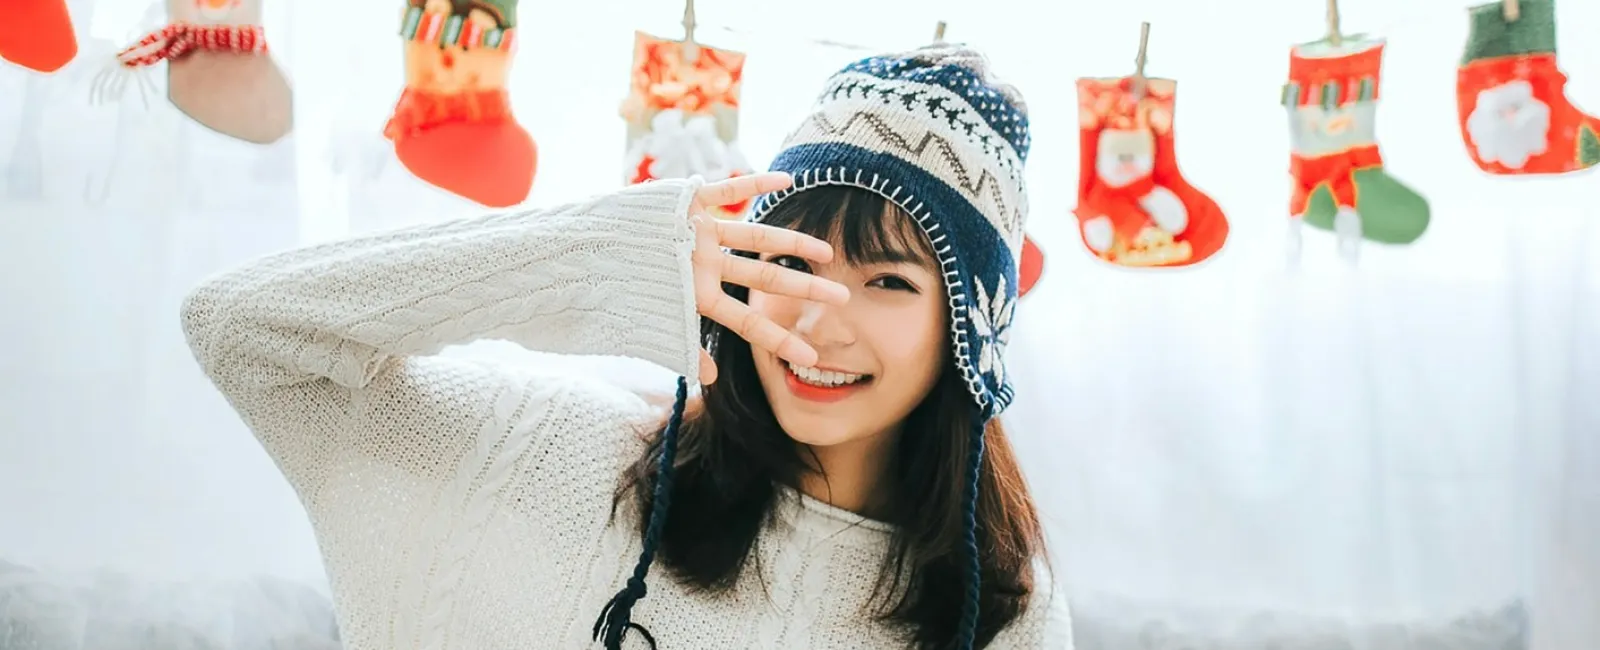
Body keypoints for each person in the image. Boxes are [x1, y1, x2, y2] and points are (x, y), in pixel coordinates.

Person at [181, 43, 1070, 649]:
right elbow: (242, 328)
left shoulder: (1001, 613)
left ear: (971, 331)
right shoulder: (569, 458)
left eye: (888, 282)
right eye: (794, 261)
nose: (817, 318)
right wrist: (602, 262)